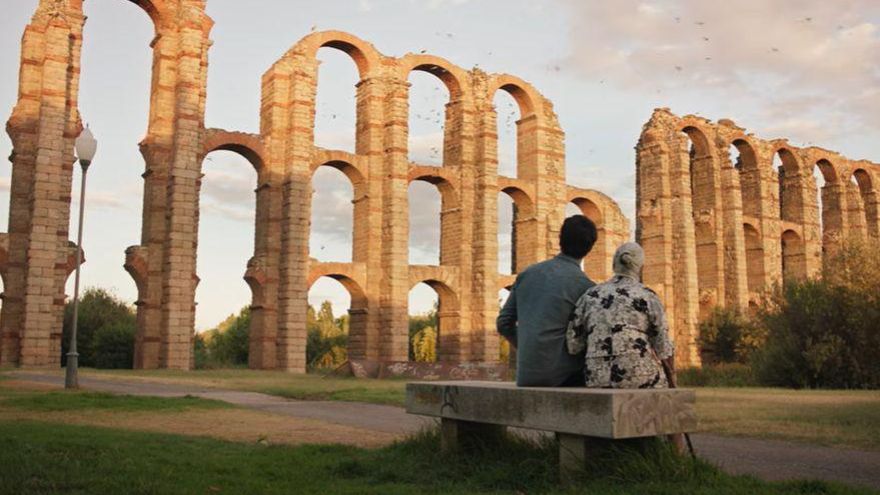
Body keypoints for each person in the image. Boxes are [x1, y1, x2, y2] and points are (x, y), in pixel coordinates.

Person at [497, 215, 597, 387]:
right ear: (590, 248)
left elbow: (503, 323)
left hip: (526, 376)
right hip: (564, 377)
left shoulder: (527, 274)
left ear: (560, 239)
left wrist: (530, 346)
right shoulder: (586, 286)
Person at [565, 242, 675, 388]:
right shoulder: (648, 296)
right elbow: (664, 348)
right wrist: (672, 381)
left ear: (614, 265)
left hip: (597, 378)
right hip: (640, 377)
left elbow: (573, 346)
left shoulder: (590, 295)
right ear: (640, 267)